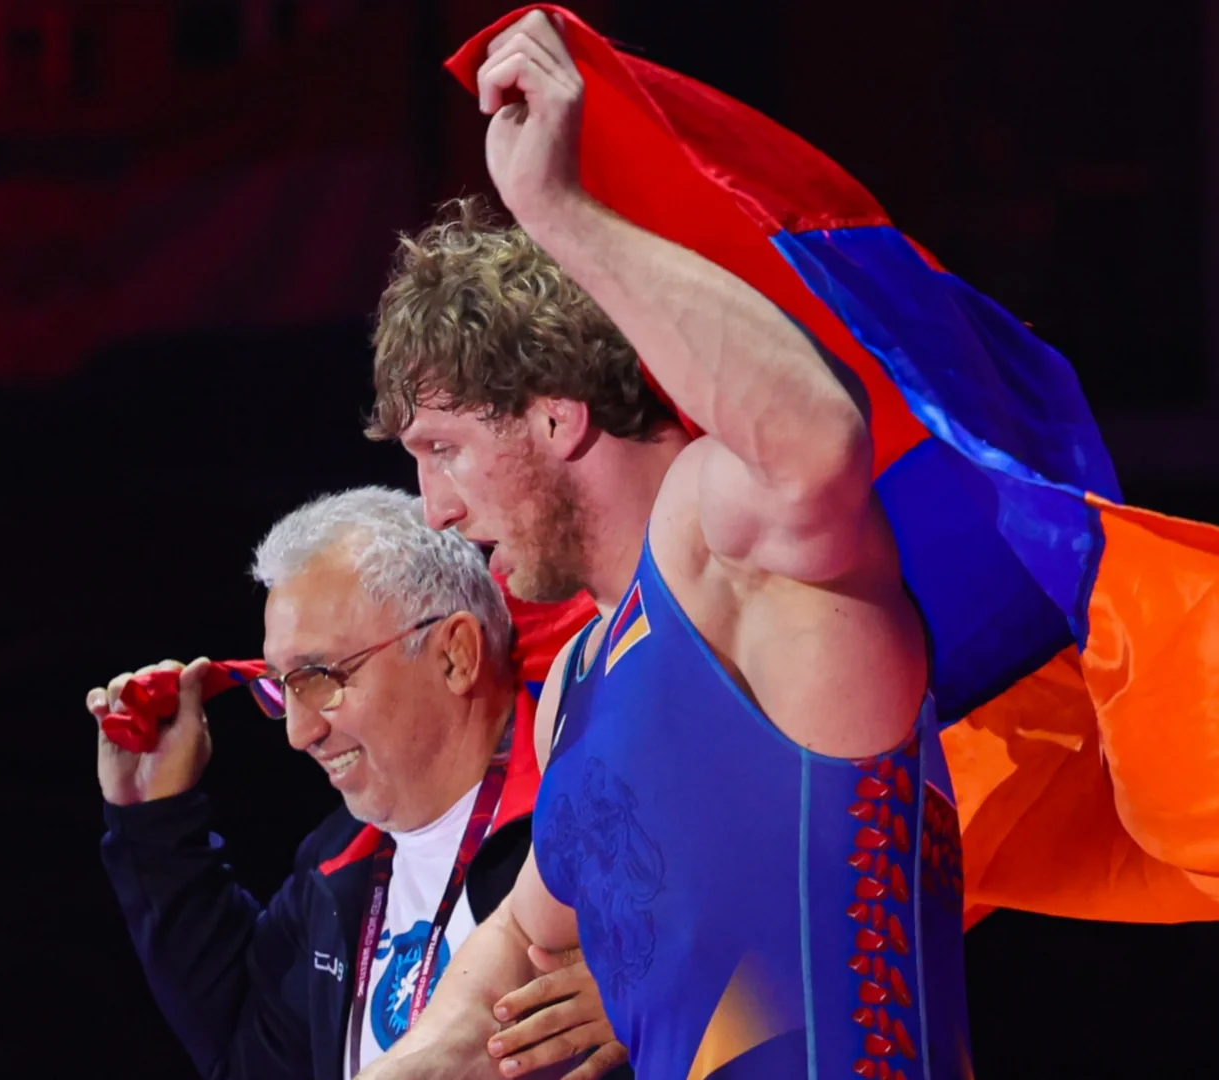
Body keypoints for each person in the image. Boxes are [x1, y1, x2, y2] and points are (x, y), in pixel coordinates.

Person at [356, 12, 965, 1080]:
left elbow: (819, 445)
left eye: (445, 448)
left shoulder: (716, 544)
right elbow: (514, 946)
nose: (434, 508)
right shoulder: (578, 680)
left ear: (557, 418)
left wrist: (557, 209)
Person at [92, 486, 629, 1080]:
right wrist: (154, 820)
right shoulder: (337, 865)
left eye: (320, 677)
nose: (299, 733)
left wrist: (654, 995)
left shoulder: (589, 818)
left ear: (455, 655)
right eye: (282, 686)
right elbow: (252, 1060)